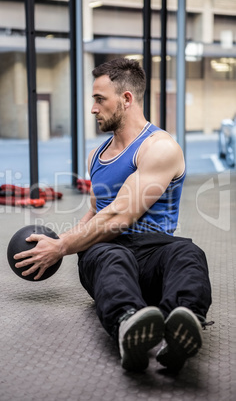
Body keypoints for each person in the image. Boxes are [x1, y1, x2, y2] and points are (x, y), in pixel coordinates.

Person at [14, 58, 212, 373]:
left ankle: (183, 325)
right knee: (107, 255)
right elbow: (96, 212)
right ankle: (128, 325)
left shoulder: (160, 147)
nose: (93, 109)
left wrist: (62, 245)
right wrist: (56, 246)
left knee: (187, 252)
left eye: (99, 99)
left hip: (153, 251)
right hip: (108, 256)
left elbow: (120, 215)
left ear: (126, 99)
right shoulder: (97, 156)